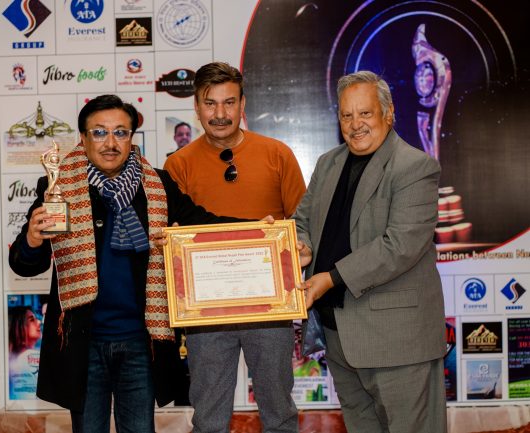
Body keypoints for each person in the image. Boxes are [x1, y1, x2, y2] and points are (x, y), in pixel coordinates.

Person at [9, 94, 246, 433]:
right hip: (83, 344)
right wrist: (33, 240)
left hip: (140, 342)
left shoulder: (158, 186)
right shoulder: (57, 186)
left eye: (120, 132)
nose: (110, 142)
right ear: (83, 138)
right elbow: (24, 265)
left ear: (131, 138)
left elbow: (204, 224)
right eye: (99, 132)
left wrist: (261, 231)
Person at [293, 70, 446, 433]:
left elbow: (400, 245)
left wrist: (330, 278)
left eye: (365, 113)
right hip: (339, 336)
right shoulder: (328, 163)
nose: (355, 124)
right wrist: (301, 246)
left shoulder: (415, 167)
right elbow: (303, 221)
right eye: (347, 115)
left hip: (397, 341)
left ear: (388, 113)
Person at [164, 62, 306, 433]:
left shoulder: (277, 154)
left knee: (280, 414)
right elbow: (172, 235)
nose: (220, 113)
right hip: (206, 313)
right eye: (210, 103)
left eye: (229, 102)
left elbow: (303, 223)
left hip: (270, 307)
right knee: (209, 418)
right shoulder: (177, 165)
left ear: (243, 104)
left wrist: (301, 247)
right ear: (196, 108)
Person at [8, 306, 42, 400]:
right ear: (18, 327)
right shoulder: (29, 356)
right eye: (32, 320)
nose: (39, 322)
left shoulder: (11, 359)